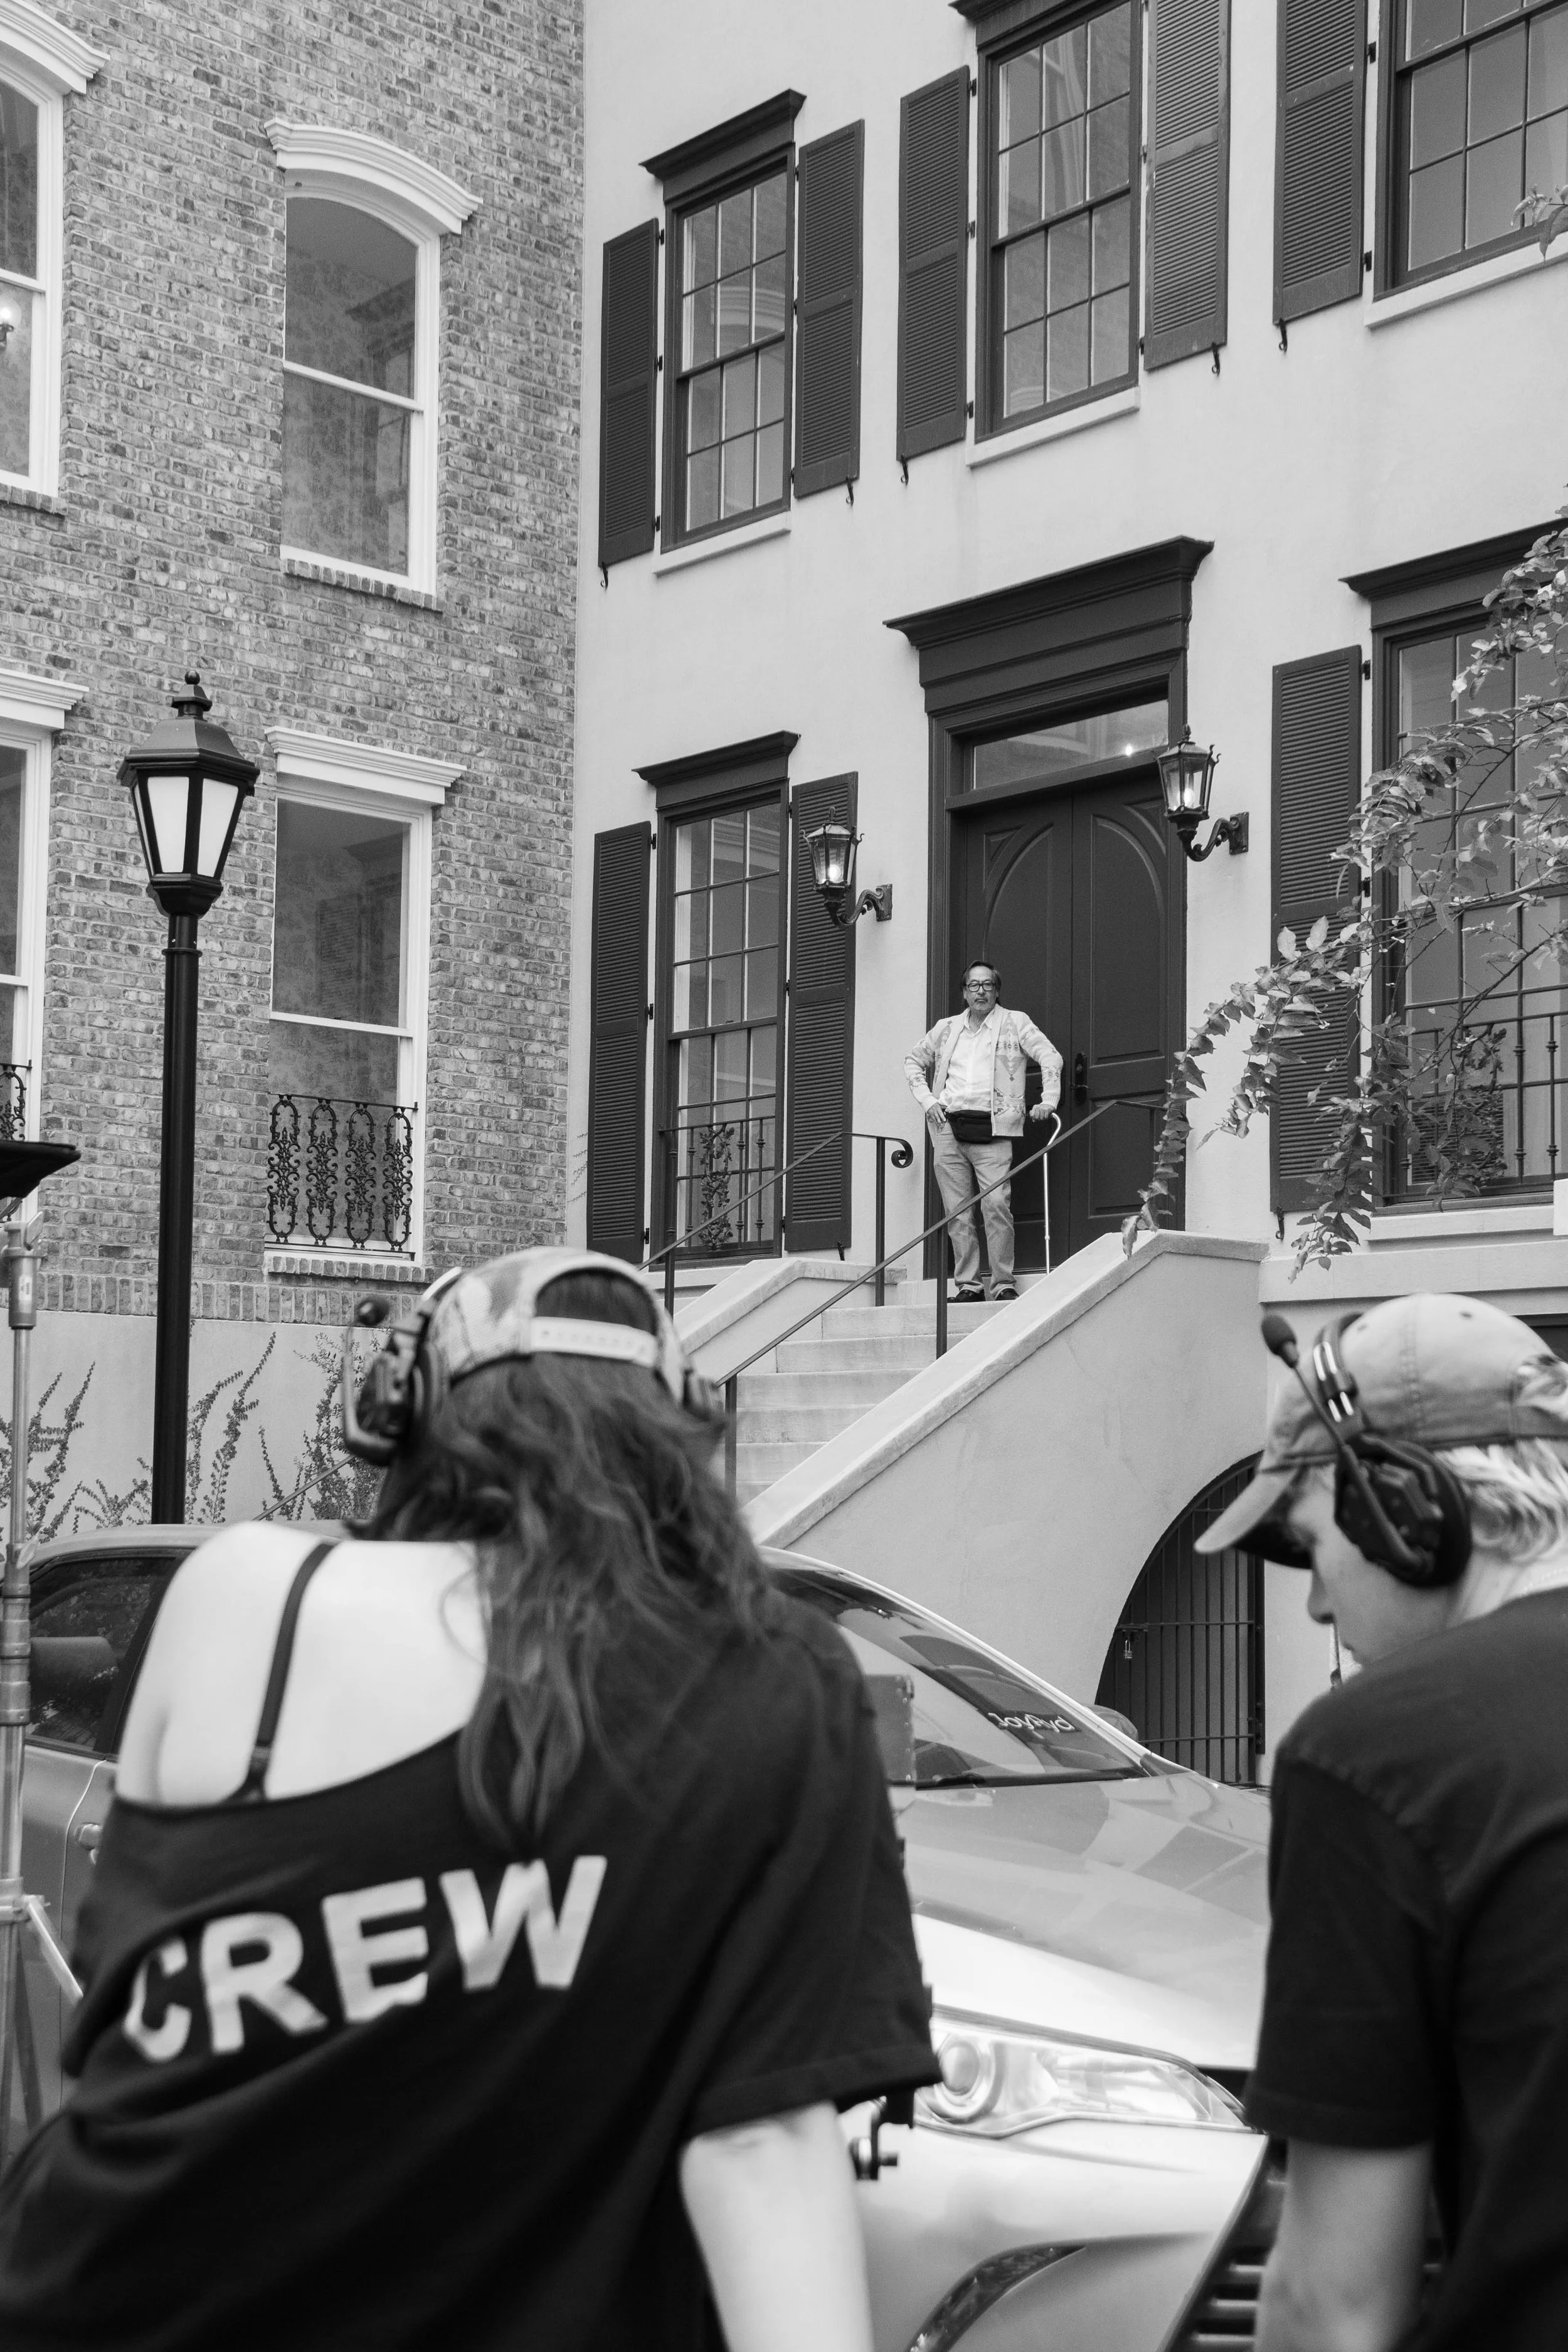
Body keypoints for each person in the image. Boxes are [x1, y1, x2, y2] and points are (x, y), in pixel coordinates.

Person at [0, 1249, 939, 2352]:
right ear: (678, 1438)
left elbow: (123, 2033)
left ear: (401, 1420)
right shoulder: (774, 1678)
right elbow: (762, 2146)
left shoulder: (250, 1597)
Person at [1194, 1292, 1568, 2352]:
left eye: (1311, 1545)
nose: (1316, 1604)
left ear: (1404, 1510)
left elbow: (1335, 2304)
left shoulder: (1373, 1756)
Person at [903, 961, 1062, 1302]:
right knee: (958, 1211)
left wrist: (1049, 1099)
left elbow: (1050, 1057)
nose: (981, 991)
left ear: (997, 990)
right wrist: (928, 1101)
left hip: (994, 1128)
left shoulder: (1015, 1022)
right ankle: (969, 1286)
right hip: (948, 1127)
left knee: (996, 1205)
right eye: (974, 986)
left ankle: (1003, 1283)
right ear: (964, 992)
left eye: (988, 985)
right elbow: (913, 1061)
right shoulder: (946, 1028)